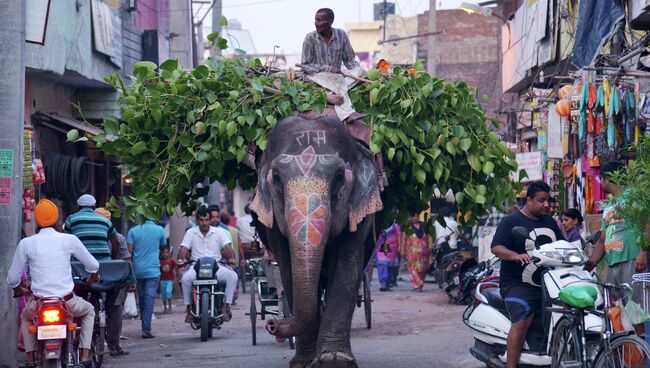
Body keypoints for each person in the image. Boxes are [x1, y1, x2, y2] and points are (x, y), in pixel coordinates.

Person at [7, 199, 100, 367]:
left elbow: (13, 278)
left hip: (38, 304)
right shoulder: (69, 240)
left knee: (25, 317)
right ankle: (85, 356)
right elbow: (93, 265)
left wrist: (17, 289)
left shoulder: (26, 243)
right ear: (57, 220)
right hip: (67, 302)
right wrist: (93, 276)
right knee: (89, 311)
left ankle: (30, 359)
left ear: (36, 220)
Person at [490, 181, 565, 368]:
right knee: (522, 322)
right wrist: (514, 255)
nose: (546, 205)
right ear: (529, 200)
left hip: (549, 284)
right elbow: (496, 247)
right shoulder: (511, 221)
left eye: (548, 200)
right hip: (518, 285)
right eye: (542, 200)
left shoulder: (550, 221)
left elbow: (563, 245)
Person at [585, 161, 649, 303]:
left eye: (600, 179)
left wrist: (643, 253)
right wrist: (590, 264)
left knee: (638, 310)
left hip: (633, 260)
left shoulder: (634, 197)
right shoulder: (609, 206)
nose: (600, 183)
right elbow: (602, 239)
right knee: (618, 312)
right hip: (614, 262)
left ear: (606, 179)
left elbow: (647, 223)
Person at [178, 206, 239, 323]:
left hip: (216, 266)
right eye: (201, 220)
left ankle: (226, 307)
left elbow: (228, 247)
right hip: (196, 266)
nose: (204, 223)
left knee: (233, 276)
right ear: (197, 220)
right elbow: (183, 249)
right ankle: (189, 309)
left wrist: (232, 257)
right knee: (185, 278)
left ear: (210, 220)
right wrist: (180, 259)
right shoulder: (191, 232)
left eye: (206, 220)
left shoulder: (219, 232)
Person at [94, 208, 133, 356]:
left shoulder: (86, 236)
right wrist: (130, 280)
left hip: (95, 280)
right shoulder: (119, 238)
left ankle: (106, 344)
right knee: (115, 310)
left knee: (96, 309)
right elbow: (127, 260)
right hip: (114, 280)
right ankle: (114, 346)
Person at [127, 218, 167, 339]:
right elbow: (163, 247)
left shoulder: (133, 231)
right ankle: (146, 328)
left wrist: (130, 274)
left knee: (143, 298)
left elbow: (129, 253)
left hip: (138, 271)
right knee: (149, 299)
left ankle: (144, 325)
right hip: (153, 270)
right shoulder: (160, 230)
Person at [301, 8, 360, 75]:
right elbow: (305, 65)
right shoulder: (310, 38)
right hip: (316, 80)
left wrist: (358, 72)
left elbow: (350, 61)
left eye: (319, 20)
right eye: (316, 20)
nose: (316, 23)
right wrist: (327, 69)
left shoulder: (341, 35)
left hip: (335, 80)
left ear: (330, 22)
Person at [64, 194, 120, 260]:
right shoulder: (105, 221)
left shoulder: (71, 219)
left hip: (80, 264)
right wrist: (113, 259)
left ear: (78, 206)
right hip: (104, 263)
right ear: (94, 207)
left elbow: (66, 243)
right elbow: (116, 243)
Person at [400, 213, 433, 292]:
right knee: (412, 268)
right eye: (413, 216)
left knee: (423, 269)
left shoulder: (424, 225)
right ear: (410, 217)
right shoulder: (407, 227)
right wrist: (402, 249)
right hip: (411, 252)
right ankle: (419, 282)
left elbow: (429, 236)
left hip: (424, 251)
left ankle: (418, 287)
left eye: (416, 216)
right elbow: (404, 239)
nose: (415, 218)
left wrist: (430, 245)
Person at [375, 222, 401, 292]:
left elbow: (398, 236)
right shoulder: (380, 223)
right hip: (383, 245)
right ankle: (383, 284)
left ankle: (387, 284)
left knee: (390, 266)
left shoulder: (395, 226)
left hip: (392, 248)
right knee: (383, 264)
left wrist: (400, 246)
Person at [159, 247, 176, 314]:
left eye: (166, 252)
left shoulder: (172, 262)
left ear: (169, 253)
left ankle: (170, 307)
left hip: (169, 280)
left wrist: (177, 275)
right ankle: (165, 308)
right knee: (163, 295)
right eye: (163, 253)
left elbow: (176, 268)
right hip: (162, 280)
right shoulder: (161, 262)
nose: (165, 254)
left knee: (168, 292)